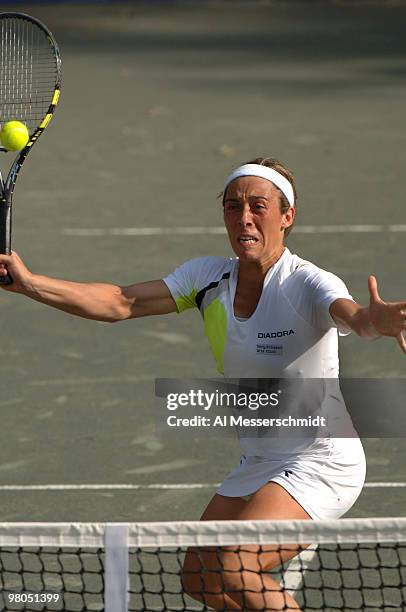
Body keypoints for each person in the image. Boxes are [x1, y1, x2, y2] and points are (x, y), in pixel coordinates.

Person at [0, 157, 405, 611]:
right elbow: (119, 302)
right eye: (233, 207)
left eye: (259, 205)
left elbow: (354, 317)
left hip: (321, 460)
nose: (244, 217)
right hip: (262, 457)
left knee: (237, 567)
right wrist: (32, 284)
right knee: (200, 577)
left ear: (287, 217)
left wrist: (378, 321)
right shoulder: (208, 276)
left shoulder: (308, 282)